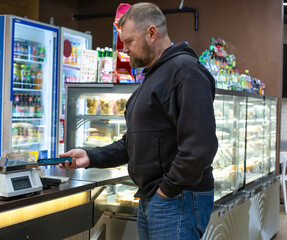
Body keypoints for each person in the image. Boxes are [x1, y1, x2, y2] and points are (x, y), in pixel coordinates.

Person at [59, 2, 218, 239]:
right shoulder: (155, 75)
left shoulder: (185, 72)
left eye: (129, 42)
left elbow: (200, 148)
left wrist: (166, 191)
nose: (124, 50)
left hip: (178, 200)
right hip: (156, 197)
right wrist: (90, 156)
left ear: (152, 33)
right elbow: (132, 143)